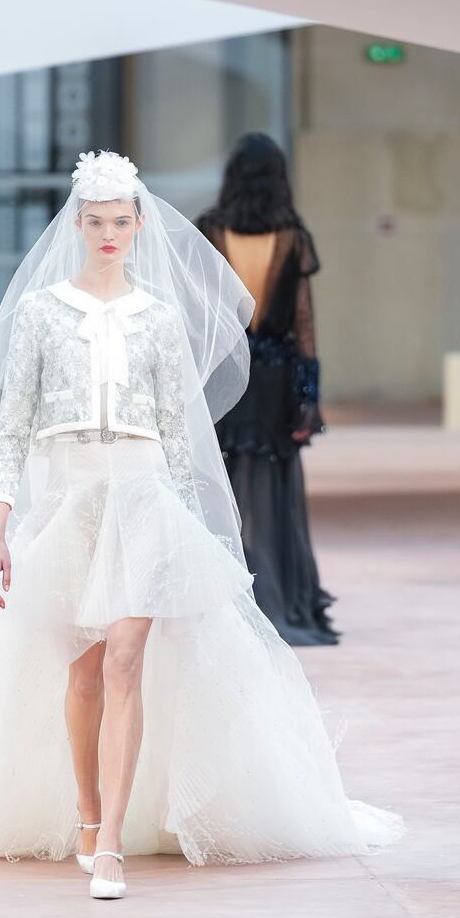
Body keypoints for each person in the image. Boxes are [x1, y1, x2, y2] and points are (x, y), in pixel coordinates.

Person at [0, 151, 401, 899]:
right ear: (77, 224)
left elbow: (183, 441)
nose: (110, 232)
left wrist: (190, 524)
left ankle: (111, 839)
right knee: (82, 670)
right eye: (97, 220)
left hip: (144, 496)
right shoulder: (41, 312)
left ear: (140, 223)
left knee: (124, 659)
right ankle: (87, 814)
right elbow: (13, 429)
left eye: (122, 220)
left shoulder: (158, 317)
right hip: (70, 503)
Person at [196, 134, 337, 646]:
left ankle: (218, 602)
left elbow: (200, 318)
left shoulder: (210, 230)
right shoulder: (292, 236)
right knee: (275, 494)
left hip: (222, 376)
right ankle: (280, 599)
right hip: (276, 380)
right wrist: (308, 396)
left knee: (218, 487)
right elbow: (304, 326)